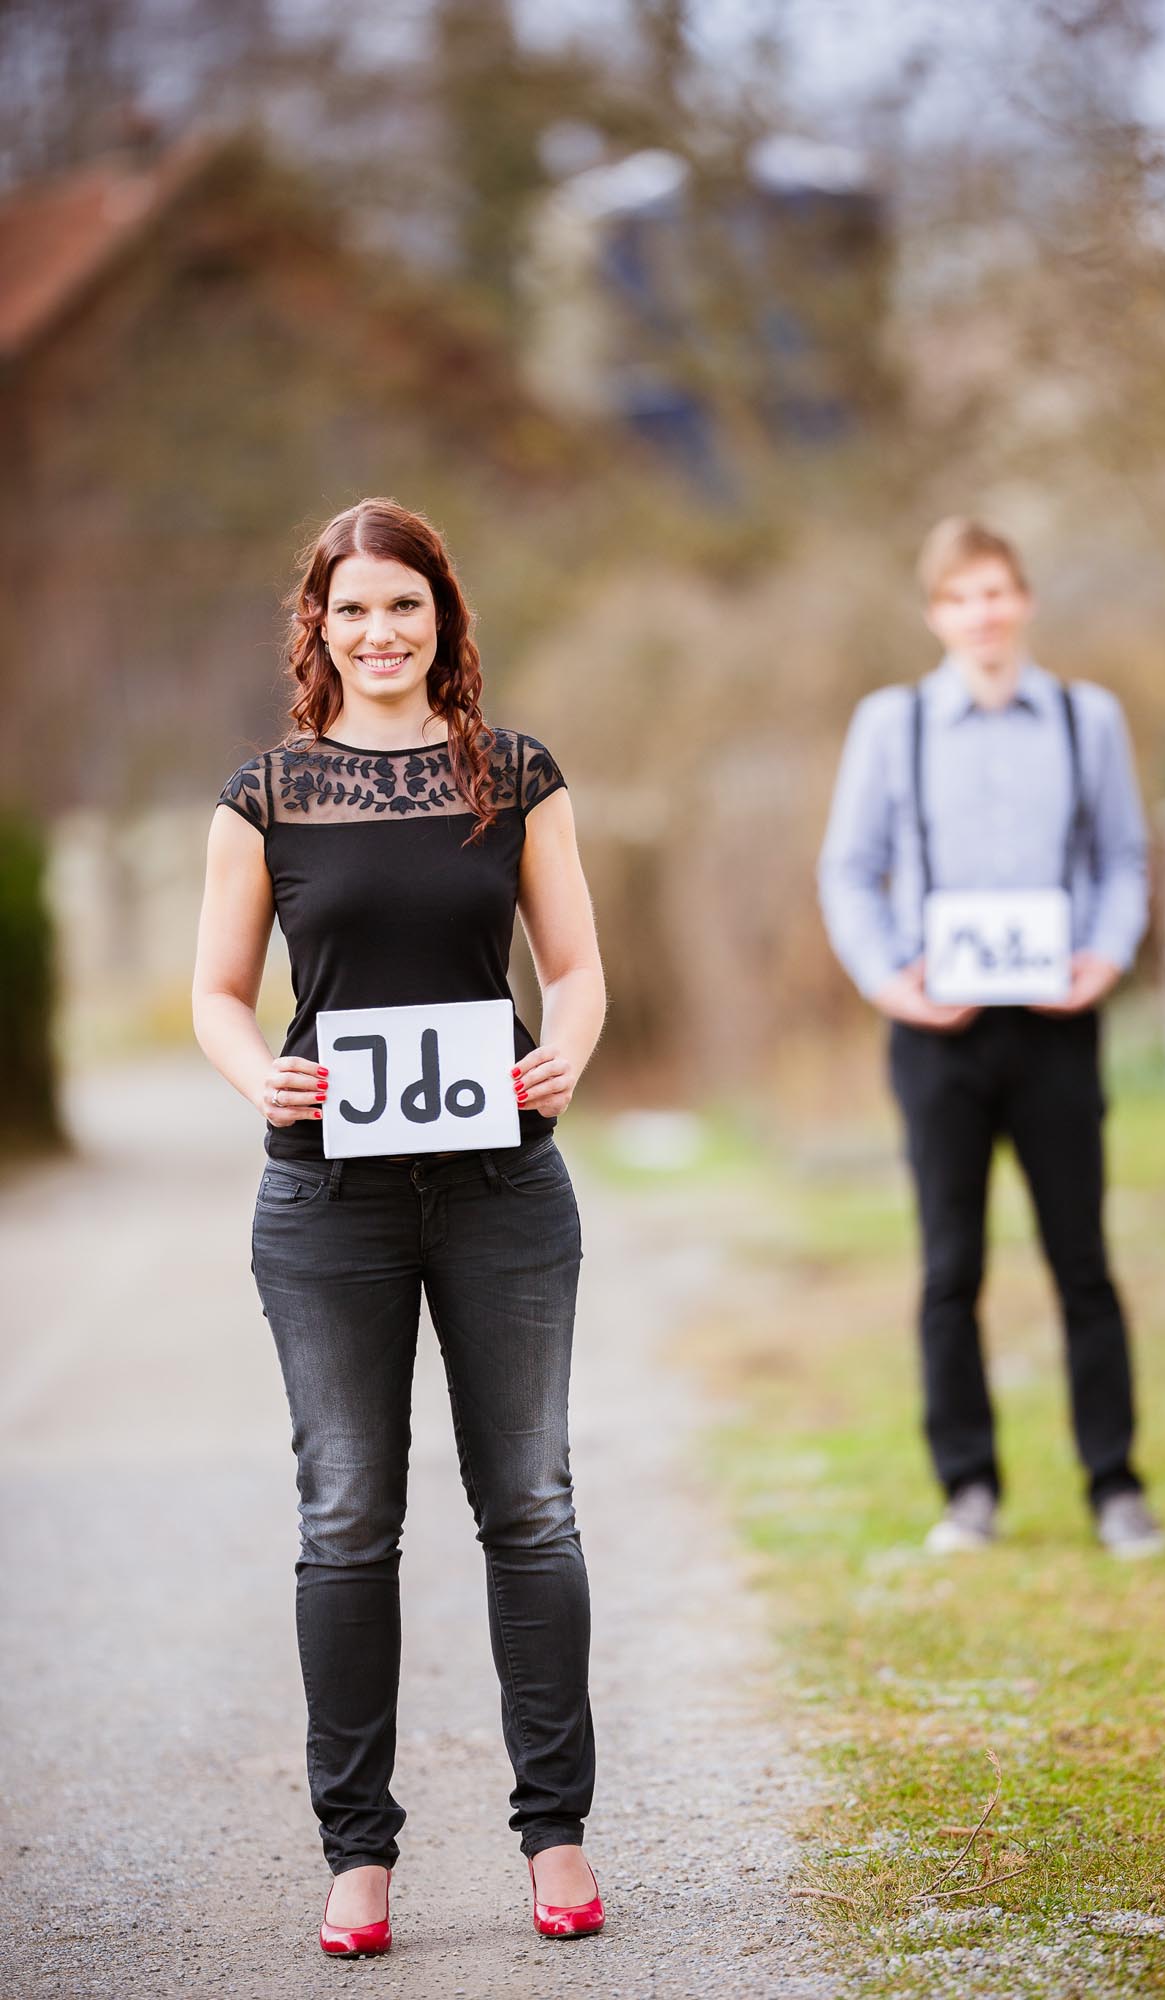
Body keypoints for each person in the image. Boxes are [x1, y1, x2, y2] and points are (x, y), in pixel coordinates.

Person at [192, 496, 608, 1956]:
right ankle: (355, 1859)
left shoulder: (515, 773)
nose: (381, 633)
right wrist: (267, 1075)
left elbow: (577, 967)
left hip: (505, 1189)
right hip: (326, 1202)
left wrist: (565, 1050)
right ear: (318, 626)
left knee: (531, 1505)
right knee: (347, 1519)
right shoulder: (265, 793)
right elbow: (213, 997)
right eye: (352, 609)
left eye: (405, 606)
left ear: (444, 617)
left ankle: (556, 1838)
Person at [817, 516, 1165, 1560]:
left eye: (998, 591)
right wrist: (892, 979)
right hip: (941, 1039)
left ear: (1023, 601)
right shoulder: (892, 724)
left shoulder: (1083, 717)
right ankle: (967, 1486)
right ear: (936, 613)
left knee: (1083, 1262)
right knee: (948, 1266)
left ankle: (1114, 1483)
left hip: (1058, 1027)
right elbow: (848, 868)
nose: (983, 613)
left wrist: (1102, 958)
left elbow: (1122, 859)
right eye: (961, 596)